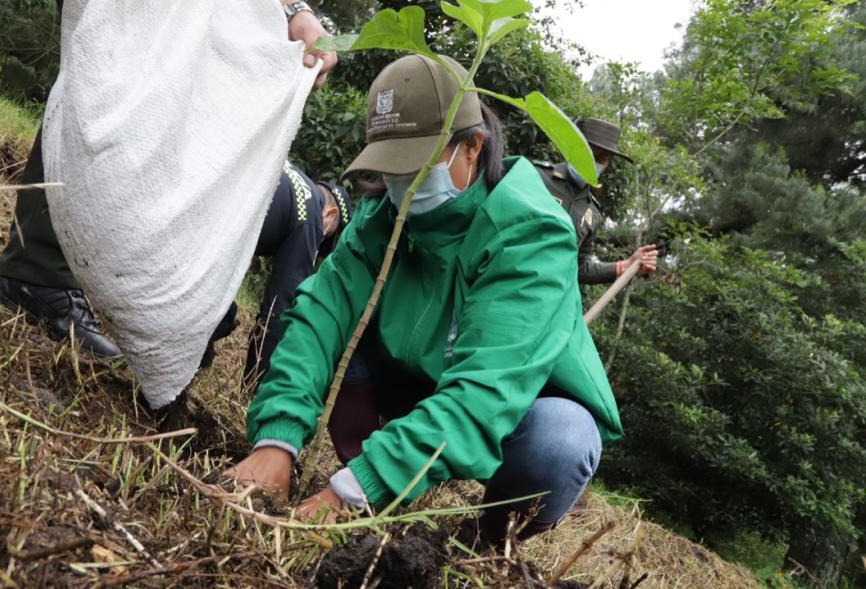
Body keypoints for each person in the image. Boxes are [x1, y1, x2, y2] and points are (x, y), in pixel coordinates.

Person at [227, 55, 623, 545]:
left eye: (417, 165)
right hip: (414, 378)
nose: (403, 184)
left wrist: (350, 493)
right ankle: (374, 473)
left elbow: (485, 392)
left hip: (513, 411)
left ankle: (487, 538)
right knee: (334, 327)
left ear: (472, 147)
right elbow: (321, 314)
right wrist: (277, 439)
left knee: (561, 440)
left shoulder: (531, 233)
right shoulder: (384, 214)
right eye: (392, 168)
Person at [0, 0, 337, 359]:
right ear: (330, 217)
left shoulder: (303, 200)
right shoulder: (309, 216)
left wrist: (293, 11)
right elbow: (281, 303)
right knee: (116, 71)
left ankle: (40, 269)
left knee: (130, 77)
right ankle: (39, 273)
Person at [202, 161, 354, 381]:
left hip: (208, 202)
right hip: (211, 228)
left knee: (225, 312)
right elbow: (276, 312)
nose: (318, 246)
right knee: (223, 317)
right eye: (325, 242)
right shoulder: (311, 221)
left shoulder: (291, 174)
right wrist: (253, 386)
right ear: (330, 216)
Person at [533, 118, 657, 284]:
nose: (593, 162)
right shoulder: (535, 176)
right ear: (572, 147)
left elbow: (579, 268)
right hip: (506, 290)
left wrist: (624, 266)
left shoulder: (591, 211)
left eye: (601, 158)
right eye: (589, 153)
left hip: (551, 302)